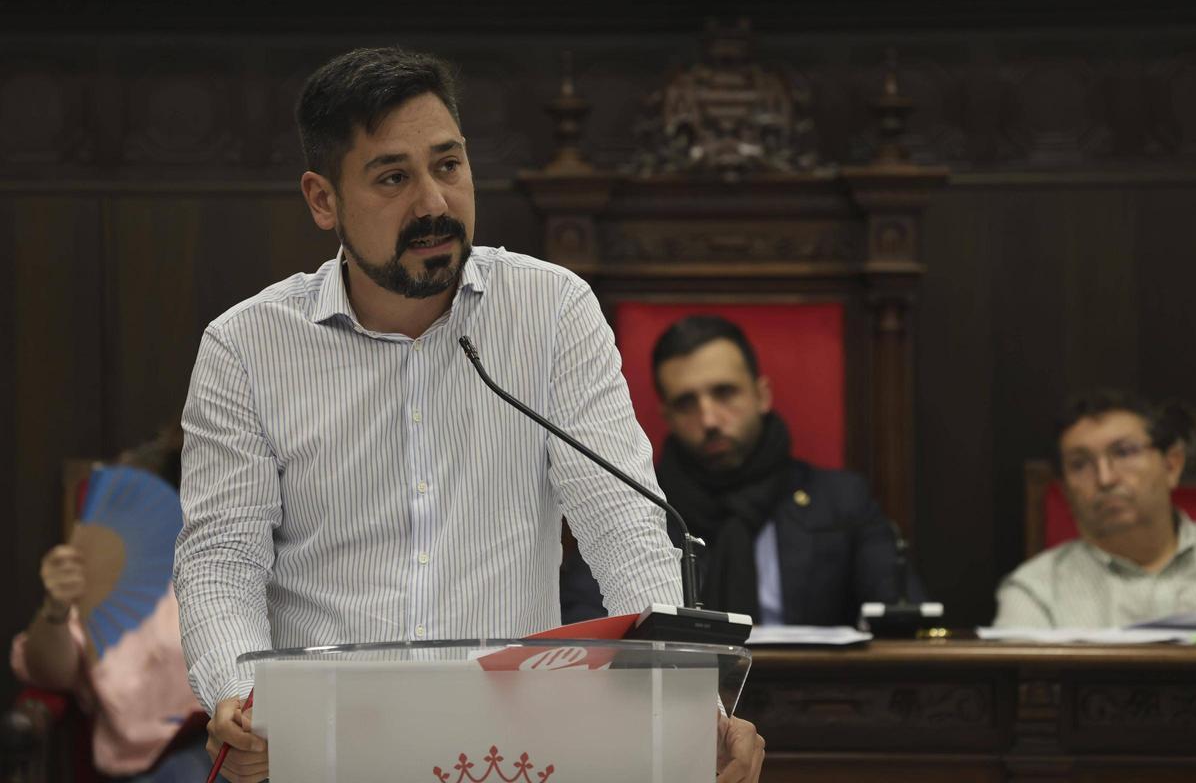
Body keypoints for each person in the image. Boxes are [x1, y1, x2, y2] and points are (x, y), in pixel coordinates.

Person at [172, 47, 765, 782]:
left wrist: (689, 711)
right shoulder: (246, 348)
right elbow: (222, 561)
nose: (434, 204)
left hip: (508, 756)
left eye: (448, 165)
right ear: (323, 199)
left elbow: (625, 526)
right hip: (322, 751)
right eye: (393, 177)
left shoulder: (551, 312)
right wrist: (238, 694)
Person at [562, 314, 923, 626]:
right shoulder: (635, 509)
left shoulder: (841, 501)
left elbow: (901, 616)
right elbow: (587, 625)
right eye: (686, 403)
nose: (709, 419)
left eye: (724, 393)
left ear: (761, 395)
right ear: (667, 417)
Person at [9, 425, 209, 782]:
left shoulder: (268, 565)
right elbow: (49, 673)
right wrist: (56, 606)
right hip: (166, 760)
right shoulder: (112, 568)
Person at [993, 390, 1196, 628]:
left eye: (1123, 452)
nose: (1105, 478)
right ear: (1065, 489)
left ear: (1171, 465)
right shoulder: (1036, 590)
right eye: (1080, 464)